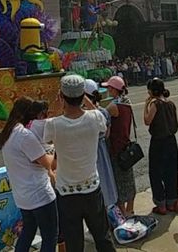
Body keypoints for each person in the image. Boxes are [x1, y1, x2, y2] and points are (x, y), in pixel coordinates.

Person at [43, 75, 115, 252]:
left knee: (74, 243)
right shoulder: (95, 118)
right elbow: (102, 120)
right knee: (103, 238)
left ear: (61, 96)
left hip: (67, 194)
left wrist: (59, 106)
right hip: (92, 189)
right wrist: (85, 99)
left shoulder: (53, 125)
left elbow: (47, 133)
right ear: (83, 95)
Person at [0, 97, 58, 252]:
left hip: (23, 196)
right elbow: (49, 163)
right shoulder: (24, 136)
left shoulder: (8, 133)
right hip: (40, 194)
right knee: (50, 236)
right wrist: (56, 150)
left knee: (28, 232)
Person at [143, 77, 178, 215]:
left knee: (156, 173)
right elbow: (176, 123)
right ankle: (171, 201)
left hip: (158, 141)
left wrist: (146, 105)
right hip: (171, 140)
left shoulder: (155, 104)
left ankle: (160, 203)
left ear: (151, 91)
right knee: (171, 171)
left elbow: (147, 121)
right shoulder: (171, 103)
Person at [104, 75, 137, 217]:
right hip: (126, 146)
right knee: (129, 180)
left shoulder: (113, 106)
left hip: (116, 148)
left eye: (109, 88)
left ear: (113, 90)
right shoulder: (127, 102)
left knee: (118, 183)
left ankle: (123, 213)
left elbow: (103, 123)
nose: (107, 91)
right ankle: (130, 209)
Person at [84, 79, 118, 209]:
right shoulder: (103, 111)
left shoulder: (85, 115)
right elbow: (107, 134)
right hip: (103, 149)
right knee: (106, 178)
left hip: (91, 151)